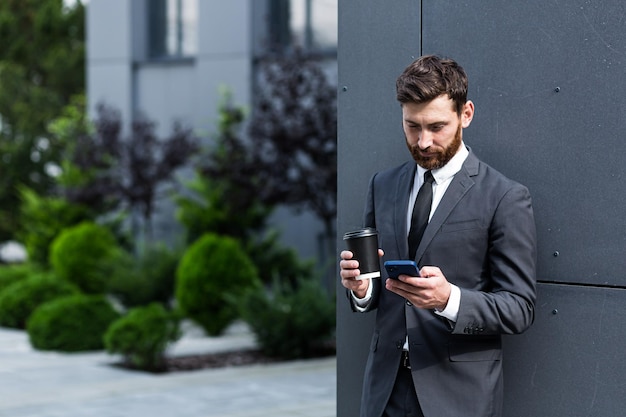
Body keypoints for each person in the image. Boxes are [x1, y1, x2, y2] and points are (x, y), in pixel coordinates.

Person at [339, 55, 537, 417]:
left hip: (458, 399)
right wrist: (362, 289)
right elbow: (378, 287)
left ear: (467, 114)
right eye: (412, 126)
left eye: (436, 126)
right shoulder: (382, 185)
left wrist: (449, 299)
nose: (423, 141)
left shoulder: (505, 196)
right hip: (383, 393)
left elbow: (519, 308)